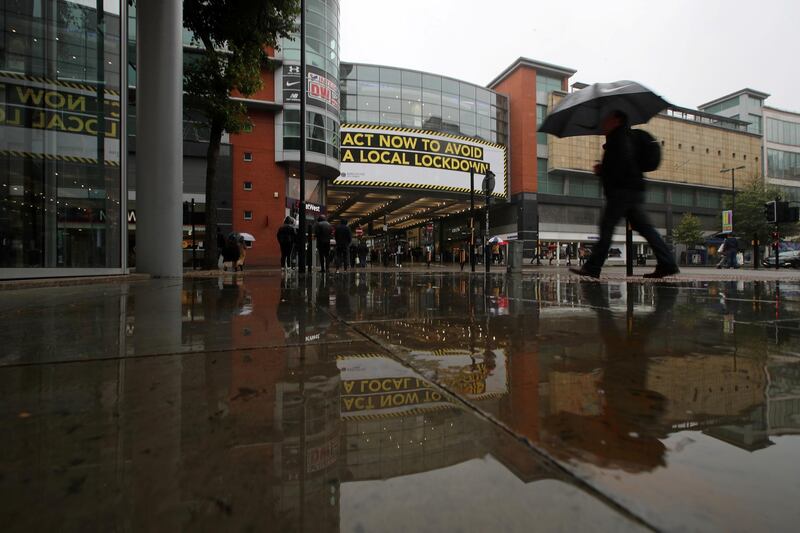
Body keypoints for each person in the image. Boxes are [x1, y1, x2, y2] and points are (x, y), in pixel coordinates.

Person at [571, 110, 679, 279]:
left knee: (607, 227)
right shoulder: (624, 137)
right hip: (631, 189)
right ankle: (667, 263)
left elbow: (622, 165)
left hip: (622, 191)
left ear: (617, 119)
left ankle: (593, 267)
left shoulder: (620, 138)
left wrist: (603, 170)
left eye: (606, 118)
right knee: (646, 229)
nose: (603, 122)